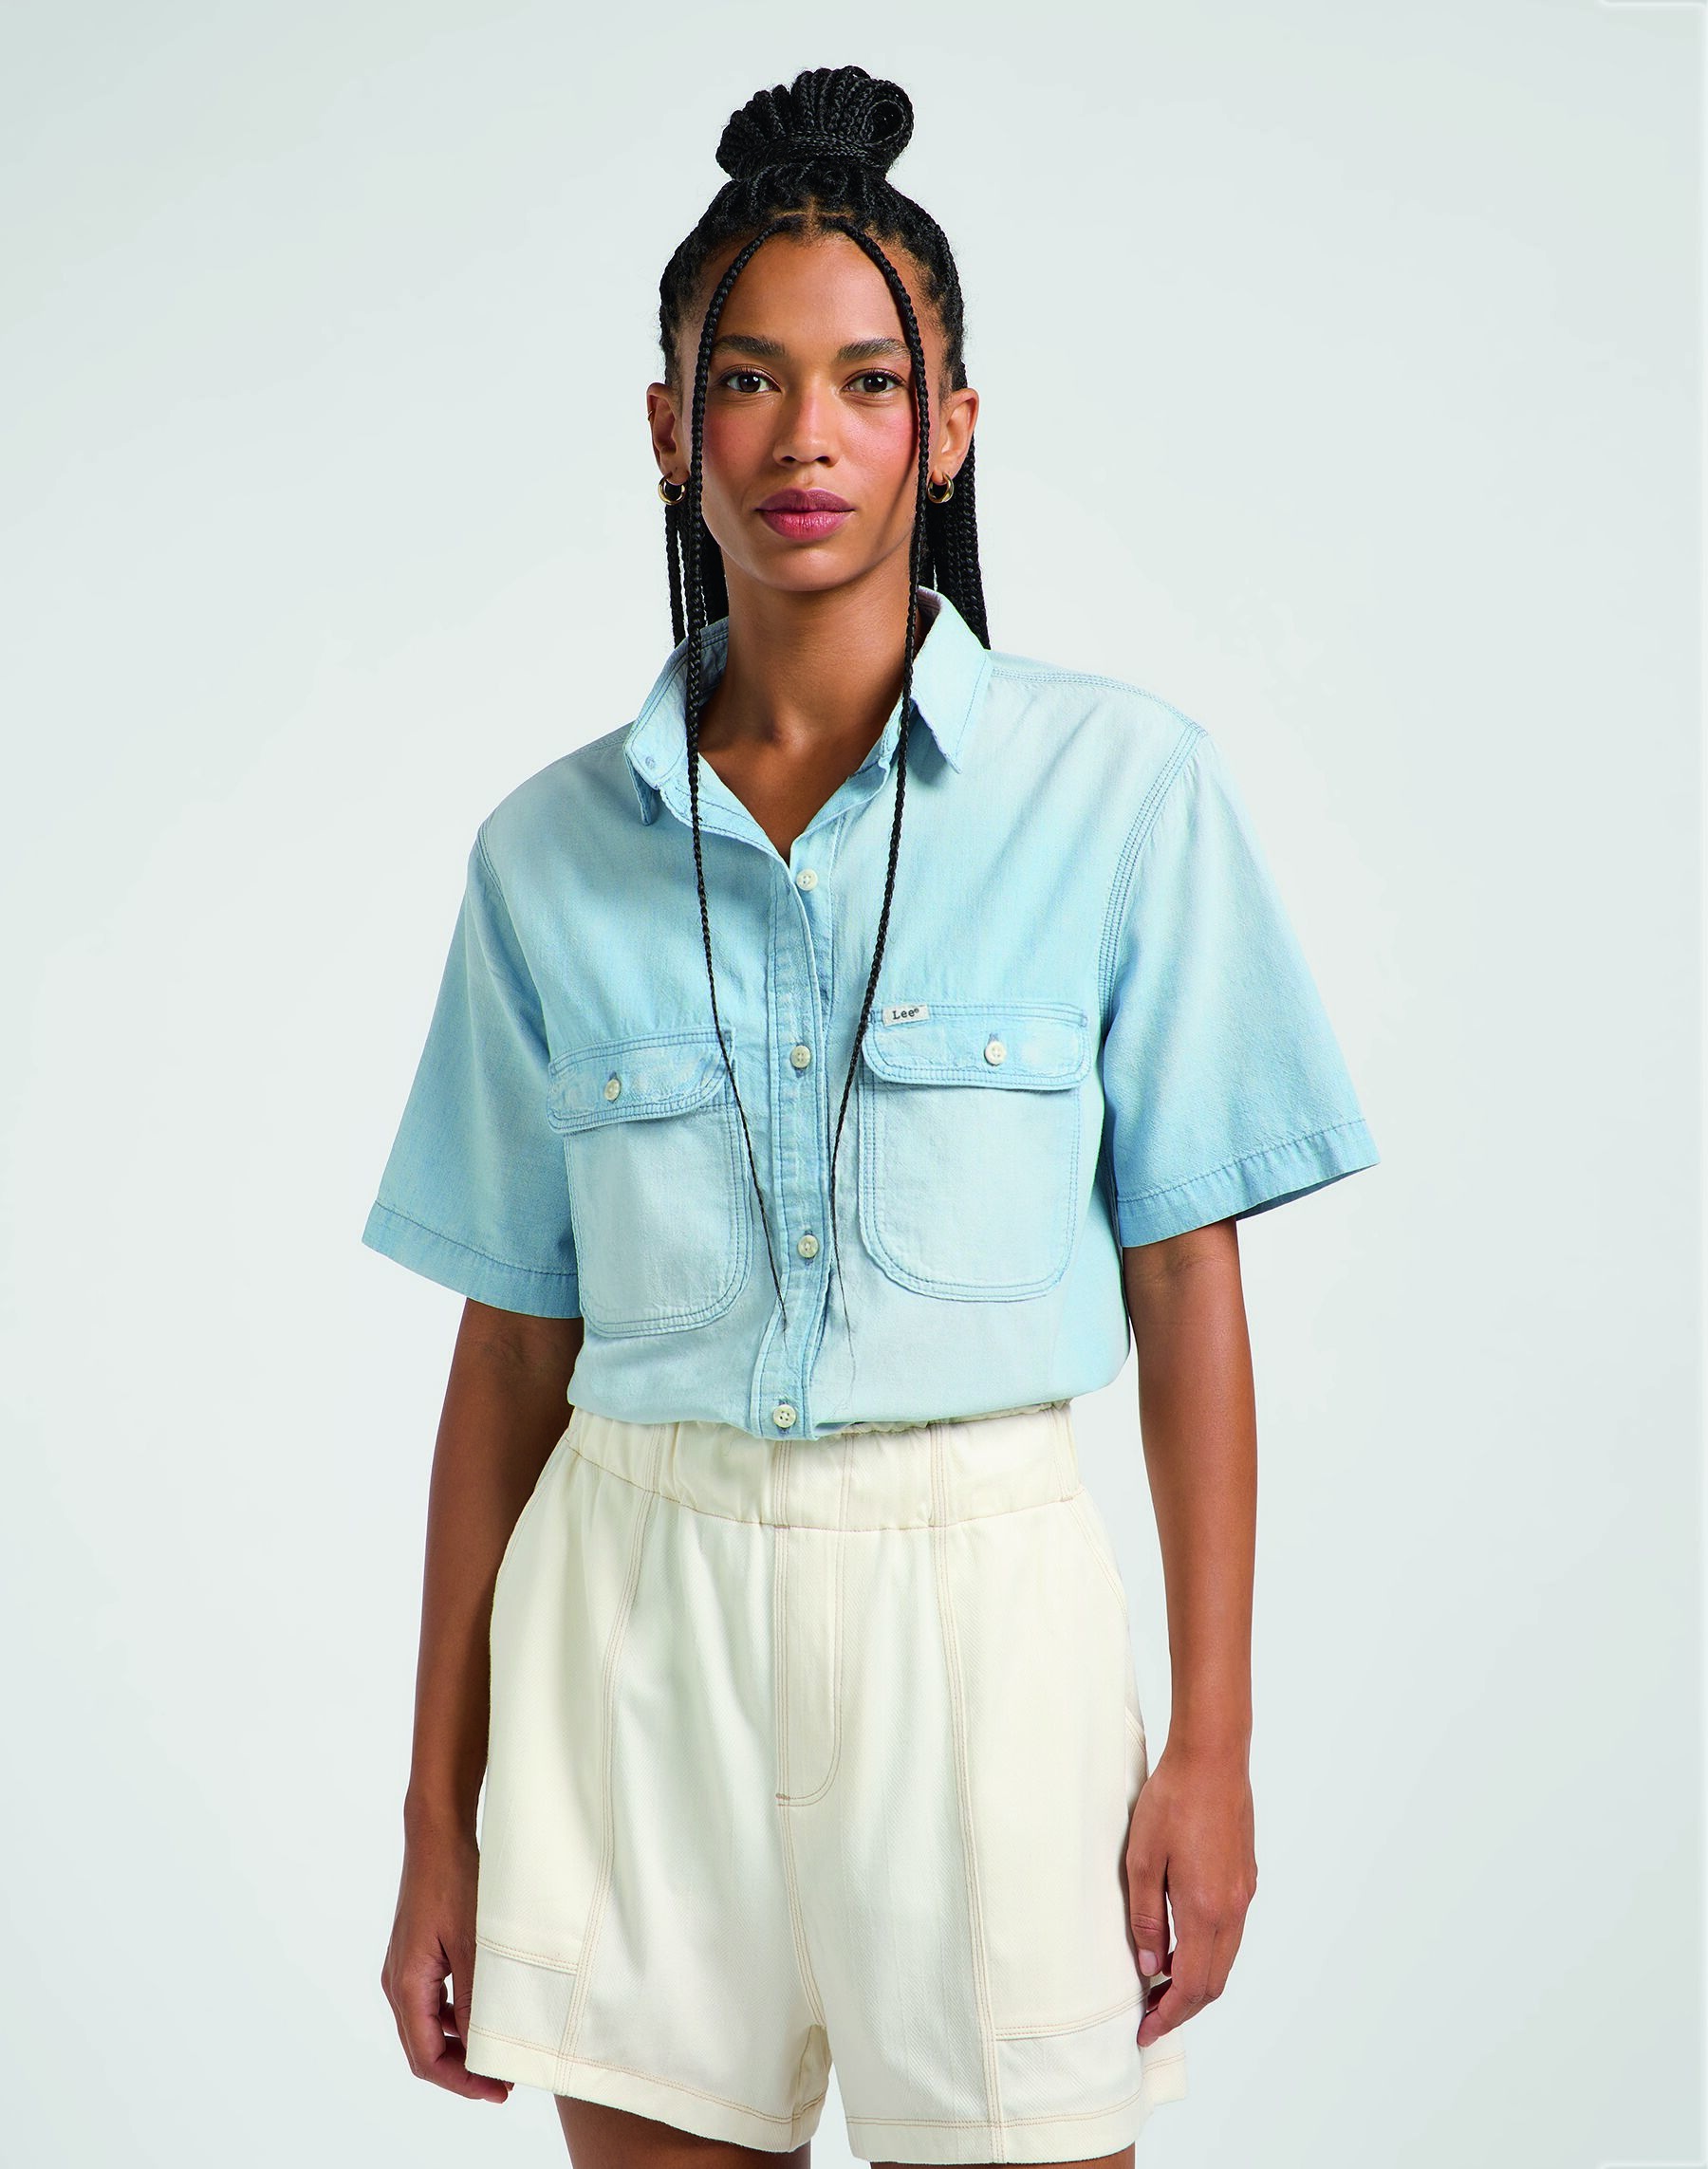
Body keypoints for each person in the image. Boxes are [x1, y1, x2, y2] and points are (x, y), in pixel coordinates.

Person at [363, 62, 1380, 2169]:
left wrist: (1213, 1743)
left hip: (984, 1634)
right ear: (670, 429)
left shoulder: (1122, 796)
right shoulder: (546, 855)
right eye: (745, 381)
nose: (804, 436)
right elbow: (512, 1353)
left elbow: (1187, 1289)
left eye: (866, 380)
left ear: (953, 424)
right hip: (637, 1634)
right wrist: (434, 1817)